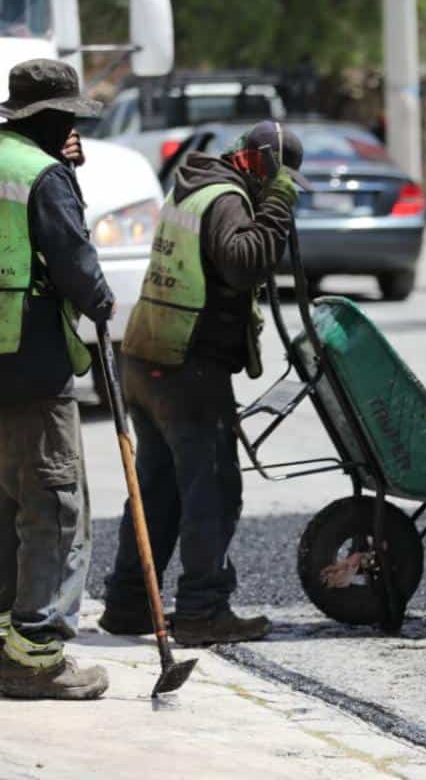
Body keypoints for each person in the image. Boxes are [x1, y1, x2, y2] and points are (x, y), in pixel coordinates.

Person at [100, 121, 304, 646]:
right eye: (279, 179)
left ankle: (128, 605)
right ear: (261, 166)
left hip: (148, 358)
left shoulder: (192, 186)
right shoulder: (226, 199)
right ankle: (202, 610)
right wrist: (278, 203)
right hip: (185, 368)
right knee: (212, 489)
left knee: (159, 490)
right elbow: (244, 263)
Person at [0, 59, 114, 700]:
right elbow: (73, 259)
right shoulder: (40, 175)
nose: (73, 126)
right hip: (33, 367)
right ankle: (36, 655)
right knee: (52, 509)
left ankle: (5, 644)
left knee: (4, 509)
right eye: (67, 116)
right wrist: (101, 301)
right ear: (47, 118)